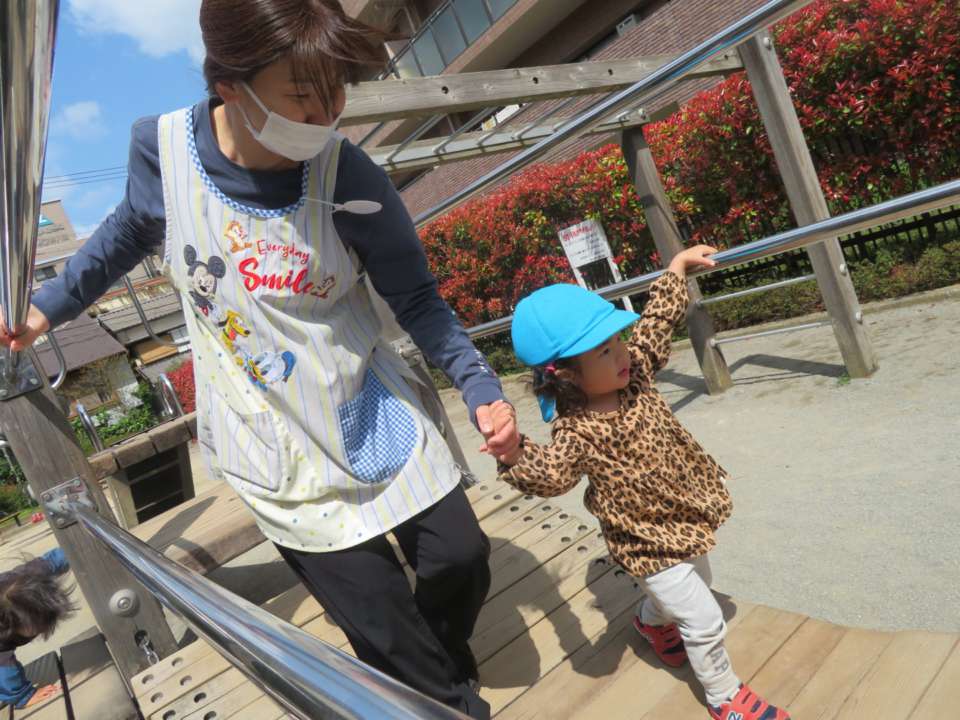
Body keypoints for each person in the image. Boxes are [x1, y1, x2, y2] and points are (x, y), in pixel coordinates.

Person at [1, 2, 519, 716]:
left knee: (459, 556)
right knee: (377, 616)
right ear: (230, 86)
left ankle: (434, 670)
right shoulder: (165, 152)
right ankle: (440, 696)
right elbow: (126, 234)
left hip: (367, 404)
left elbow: (419, 299)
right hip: (268, 431)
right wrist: (46, 307)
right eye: (303, 95)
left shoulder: (348, 176)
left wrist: (480, 385)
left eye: (337, 90)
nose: (326, 114)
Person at [483, 246, 791, 720]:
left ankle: (651, 623)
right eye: (604, 351)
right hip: (643, 541)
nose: (622, 353)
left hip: (684, 516)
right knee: (704, 617)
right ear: (567, 376)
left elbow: (655, 325)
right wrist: (514, 453)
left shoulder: (636, 377)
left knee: (699, 583)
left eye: (617, 341)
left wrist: (676, 270)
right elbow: (552, 474)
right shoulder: (577, 430)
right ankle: (724, 696)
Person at [0, 548, 74, 709]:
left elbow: (51, 562)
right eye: (38, 628)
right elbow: (4, 671)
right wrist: (24, 696)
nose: (42, 631)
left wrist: (74, 550)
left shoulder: (28, 578)